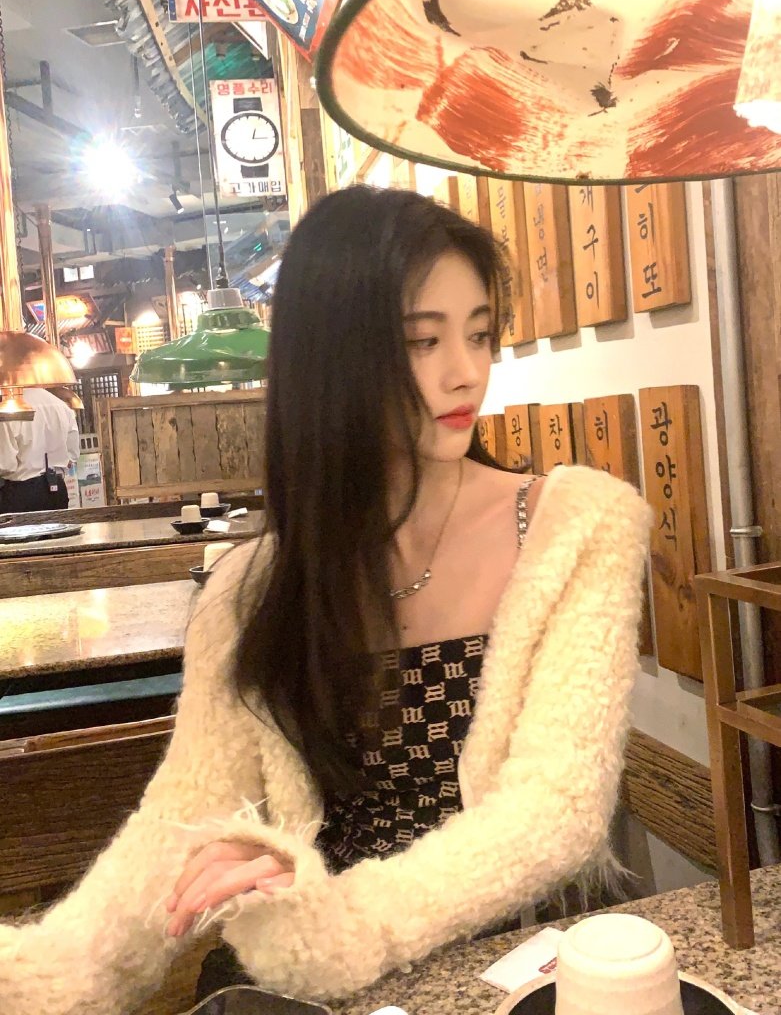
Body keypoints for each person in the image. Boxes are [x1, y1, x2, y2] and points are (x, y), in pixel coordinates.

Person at [0, 186, 649, 1015]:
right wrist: (44, 977)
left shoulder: (574, 525)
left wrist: (332, 928)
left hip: (516, 967)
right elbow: (182, 815)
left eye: (480, 333)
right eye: (422, 340)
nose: (465, 371)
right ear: (330, 358)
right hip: (311, 971)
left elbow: (554, 811)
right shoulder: (252, 587)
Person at [0, 386, 79, 514]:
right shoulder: (62, 407)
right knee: (58, 527)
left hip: (21, 493)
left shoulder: (10, 409)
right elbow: (73, 454)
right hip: (57, 490)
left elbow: (6, 465)